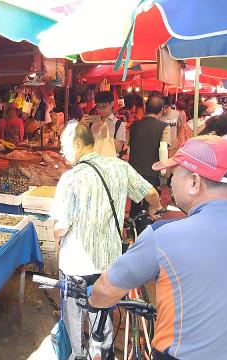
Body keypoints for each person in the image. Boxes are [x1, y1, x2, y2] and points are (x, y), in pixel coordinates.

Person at [89, 135, 227, 360]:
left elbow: (106, 290)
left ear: (195, 182)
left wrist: (92, 301)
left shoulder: (164, 236)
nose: (171, 183)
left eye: (174, 175)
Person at [52, 121, 162, 360]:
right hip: (109, 264)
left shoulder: (70, 178)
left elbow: (62, 225)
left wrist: (55, 237)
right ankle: (101, 351)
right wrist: (155, 208)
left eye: (63, 147)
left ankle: (76, 354)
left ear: (77, 144)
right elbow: (151, 193)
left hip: (75, 265)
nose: (62, 152)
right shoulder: (118, 167)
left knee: (72, 316)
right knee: (102, 316)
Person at [127, 95, 170, 231]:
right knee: (149, 206)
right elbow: (163, 148)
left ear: (146, 108)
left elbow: (129, 148)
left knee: (134, 205)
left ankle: (131, 233)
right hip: (152, 172)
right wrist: (163, 171)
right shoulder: (164, 127)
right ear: (162, 110)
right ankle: (144, 235)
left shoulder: (134, 125)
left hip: (133, 171)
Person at [89, 91, 127, 156]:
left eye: (104, 107)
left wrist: (107, 135)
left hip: (109, 160)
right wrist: (82, 125)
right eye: (98, 107)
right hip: (93, 159)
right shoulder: (93, 121)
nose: (100, 110)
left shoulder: (118, 124)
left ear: (112, 104)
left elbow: (119, 149)